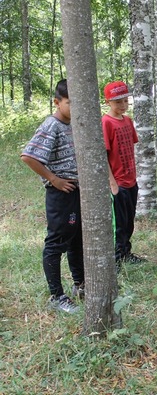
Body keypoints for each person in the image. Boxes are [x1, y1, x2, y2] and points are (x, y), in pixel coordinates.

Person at [21, 79, 84, 313]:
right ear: (57, 102)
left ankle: (80, 284)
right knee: (57, 242)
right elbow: (29, 156)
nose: (75, 107)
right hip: (61, 194)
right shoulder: (52, 125)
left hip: (78, 191)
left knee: (77, 238)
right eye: (70, 102)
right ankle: (56, 295)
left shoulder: (74, 123)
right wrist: (54, 179)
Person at [102, 81, 145, 266]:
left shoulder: (127, 121)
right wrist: (112, 183)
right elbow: (103, 155)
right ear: (108, 102)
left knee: (129, 220)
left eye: (125, 101)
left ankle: (127, 252)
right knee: (118, 224)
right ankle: (117, 258)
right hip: (118, 182)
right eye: (117, 102)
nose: (122, 105)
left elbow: (130, 146)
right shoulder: (106, 122)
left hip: (131, 180)